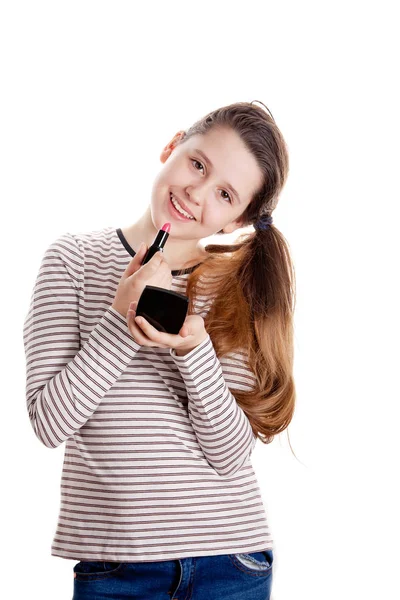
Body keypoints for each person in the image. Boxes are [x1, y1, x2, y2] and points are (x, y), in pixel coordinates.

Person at [23, 100, 296, 600]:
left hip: (230, 561)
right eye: (197, 163)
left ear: (235, 222)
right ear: (172, 146)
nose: (196, 192)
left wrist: (195, 353)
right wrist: (120, 321)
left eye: (224, 194)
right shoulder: (73, 261)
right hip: (116, 566)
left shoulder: (234, 287)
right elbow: (48, 422)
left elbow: (232, 454)